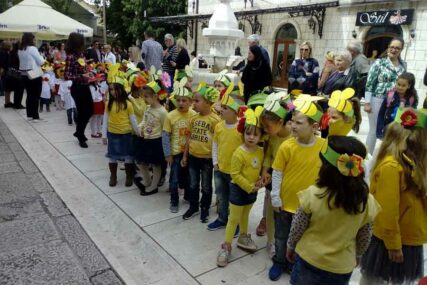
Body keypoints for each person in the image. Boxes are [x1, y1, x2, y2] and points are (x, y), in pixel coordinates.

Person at [286, 136, 380, 285]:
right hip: (341, 266)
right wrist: (358, 255)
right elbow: (365, 235)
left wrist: (290, 246)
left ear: (326, 169)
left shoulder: (312, 194)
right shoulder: (366, 202)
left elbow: (297, 227)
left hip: (309, 258)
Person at [360, 112, 427, 285]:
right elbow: (387, 211)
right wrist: (394, 245)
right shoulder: (392, 167)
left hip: (409, 235)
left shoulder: (417, 162)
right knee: (373, 280)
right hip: (391, 240)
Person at [269, 95, 325, 281]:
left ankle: (293, 264)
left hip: (308, 207)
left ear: (314, 127)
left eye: (299, 122)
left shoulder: (323, 147)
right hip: (285, 204)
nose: (292, 125)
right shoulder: (287, 146)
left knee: (301, 240)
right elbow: (277, 172)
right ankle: (278, 260)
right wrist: (275, 197)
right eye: (292, 121)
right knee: (281, 236)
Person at [216, 107, 265, 267]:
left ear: (261, 136)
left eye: (255, 134)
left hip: (252, 191)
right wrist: (249, 186)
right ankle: (226, 246)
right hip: (239, 190)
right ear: (242, 133)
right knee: (233, 219)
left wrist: (258, 181)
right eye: (248, 133)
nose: (251, 137)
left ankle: (243, 237)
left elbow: (258, 169)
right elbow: (235, 174)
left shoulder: (260, 151)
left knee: (245, 215)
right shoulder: (239, 152)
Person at [256, 92, 293, 259]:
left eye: (267, 127)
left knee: (285, 216)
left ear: (280, 122)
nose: (265, 130)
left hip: (289, 183)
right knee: (271, 213)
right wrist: (265, 171)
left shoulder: (294, 137)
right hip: (273, 182)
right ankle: (271, 241)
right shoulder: (273, 136)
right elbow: (269, 155)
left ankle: (286, 244)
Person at [181, 85, 221, 222]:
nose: (194, 104)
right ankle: (193, 206)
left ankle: (205, 208)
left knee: (206, 186)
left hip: (207, 159)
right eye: (193, 101)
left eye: (197, 101)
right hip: (193, 157)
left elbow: (218, 142)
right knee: (192, 184)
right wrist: (185, 155)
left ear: (208, 103)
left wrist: (217, 160)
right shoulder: (193, 118)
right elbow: (189, 138)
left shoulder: (215, 120)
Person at [207, 90, 243, 230]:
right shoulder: (219, 126)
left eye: (225, 108)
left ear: (235, 111)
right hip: (220, 169)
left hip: (235, 173)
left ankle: (236, 223)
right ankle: (222, 219)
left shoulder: (241, 128)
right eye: (221, 106)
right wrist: (215, 162)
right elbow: (215, 144)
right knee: (221, 196)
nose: (220, 109)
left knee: (235, 200)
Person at [364, 37, 406, 154]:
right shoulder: (379, 63)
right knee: (373, 130)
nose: (394, 50)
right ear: (388, 48)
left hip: (395, 103)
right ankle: (367, 157)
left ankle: (383, 159)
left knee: (390, 131)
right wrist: (367, 102)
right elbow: (370, 82)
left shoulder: (403, 66)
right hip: (377, 99)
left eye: (397, 48)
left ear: (401, 50)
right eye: (392, 47)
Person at [162, 78, 196, 211]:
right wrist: (167, 154)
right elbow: (165, 136)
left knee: (188, 177)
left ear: (190, 102)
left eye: (184, 100)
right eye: (178, 100)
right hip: (176, 153)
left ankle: (188, 196)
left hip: (189, 152)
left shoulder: (193, 115)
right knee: (174, 179)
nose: (181, 103)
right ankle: (174, 201)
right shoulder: (170, 116)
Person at [102, 80, 139, 187]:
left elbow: (133, 120)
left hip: (126, 134)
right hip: (112, 134)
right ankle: (113, 176)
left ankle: (129, 175)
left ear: (121, 90)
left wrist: (138, 132)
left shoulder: (128, 104)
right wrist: (104, 136)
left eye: (115, 89)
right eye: (111, 90)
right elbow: (105, 120)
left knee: (128, 156)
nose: (113, 92)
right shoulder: (108, 104)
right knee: (112, 156)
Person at [135, 81, 168, 194]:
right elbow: (144, 121)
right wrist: (140, 127)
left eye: (146, 97)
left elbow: (165, 129)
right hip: (145, 140)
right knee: (140, 162)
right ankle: (147, 180)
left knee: (156, 165)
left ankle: (154, 186)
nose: (144, 99)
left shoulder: (162, 112)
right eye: (143, 96)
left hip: (156, 141)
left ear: (155, 96)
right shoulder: (148, 108)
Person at [64, 32, 95, 148]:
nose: (84, 43)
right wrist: (82, 76)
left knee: (90, 110)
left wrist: (89, 72)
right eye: (82, 41)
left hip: (85, 86)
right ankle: (80, 136)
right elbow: (67, 76)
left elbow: (83, 69)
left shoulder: (80, 55)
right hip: (77, 88)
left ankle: (78, 131)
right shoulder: (70, 57)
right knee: (84, 112)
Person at [376, 72, 418, 139]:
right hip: (388, 128)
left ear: (409, 86)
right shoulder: (390, 95)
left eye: (403, 85)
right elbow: (381, 113)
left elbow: (413, 116)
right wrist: (379, 130)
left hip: (403, 131)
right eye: (398, 84)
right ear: (396, 83)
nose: (400, 87)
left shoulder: (412, 99)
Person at [18, 33, 45, 122]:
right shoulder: (33, 49)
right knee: (36, 95)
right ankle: (35, 116)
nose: (35, 40)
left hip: (24, 74)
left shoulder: (20, 49)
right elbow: (41, 62)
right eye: (34, 39)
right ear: (30, 39)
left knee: (29, 95)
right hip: (34, 73)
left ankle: (29, 115)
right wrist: (42, 57)